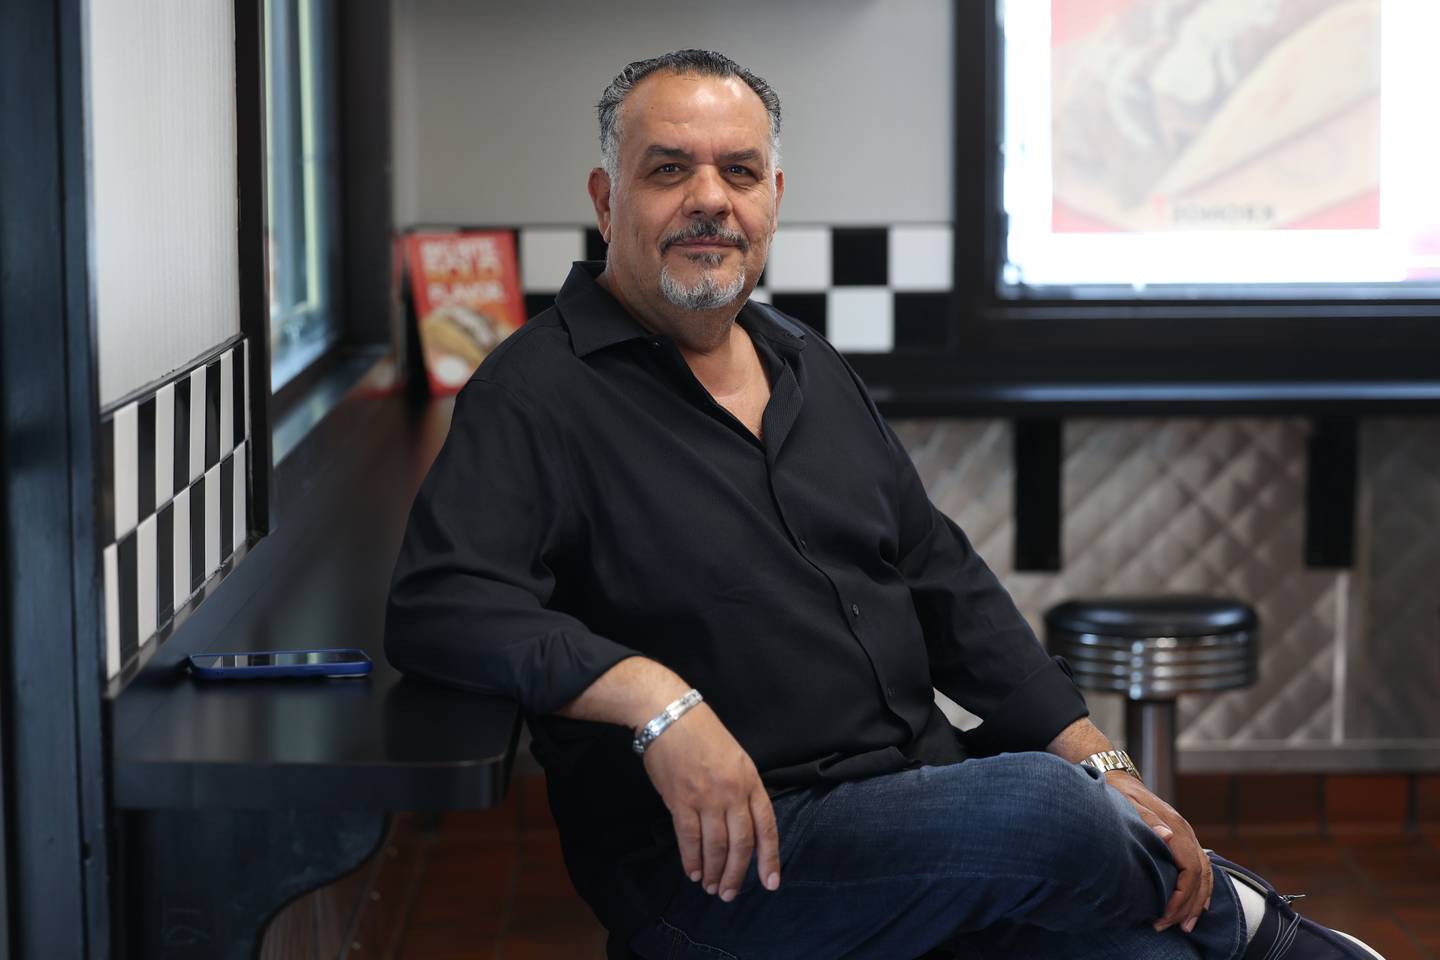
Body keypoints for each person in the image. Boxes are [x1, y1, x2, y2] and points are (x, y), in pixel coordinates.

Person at [385, 49, 1385, 960]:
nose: (708, 200)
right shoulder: (535, 392)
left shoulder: (805, 360)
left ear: (773, 197)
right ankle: (1271, 935)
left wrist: (1100, 755)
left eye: (738, 172)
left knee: (1142, 937)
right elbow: (440, 604)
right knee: (1047, 808)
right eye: (667, 169)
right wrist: (655, 699)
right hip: (733, 870)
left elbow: (942, 576)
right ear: (607, 199)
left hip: (914, 809)